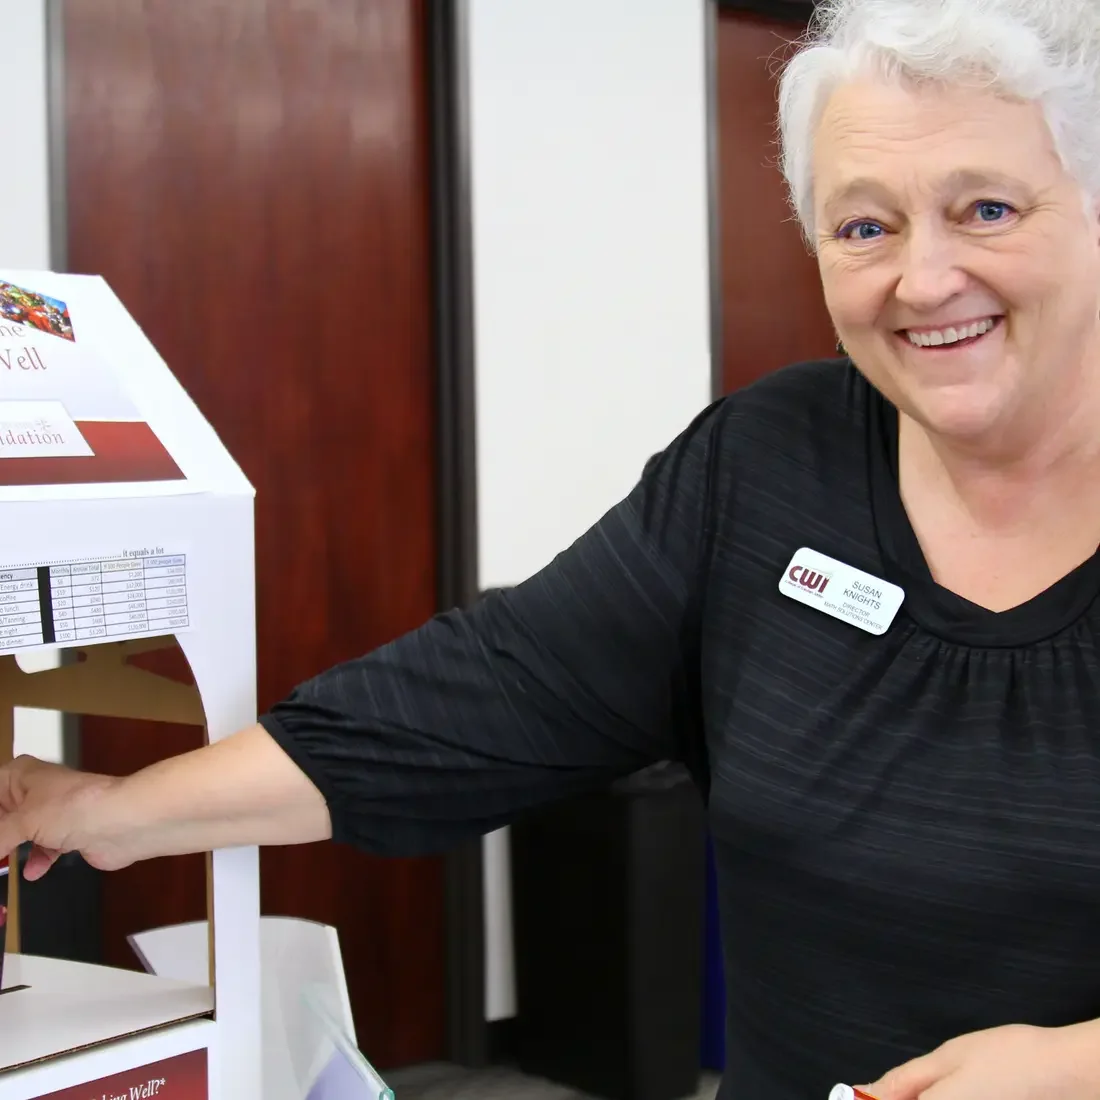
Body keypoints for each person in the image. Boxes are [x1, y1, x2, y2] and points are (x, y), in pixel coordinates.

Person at [5, 0, 1100, 1096]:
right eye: (864, 227)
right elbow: (472, 698)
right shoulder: (769, 464)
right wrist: (106, 811)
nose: (921, 279)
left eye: (986, 208)